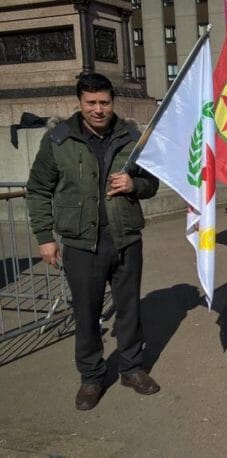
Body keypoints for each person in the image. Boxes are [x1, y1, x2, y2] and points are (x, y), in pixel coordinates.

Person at [26, 73, 160, 411]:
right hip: (80, 243)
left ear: (112, 102)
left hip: (125, 237)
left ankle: (131, 368)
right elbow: (39, 189)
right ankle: (91, 376)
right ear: (79, 103)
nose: (98, 110)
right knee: (87, 313)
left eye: (104, 102)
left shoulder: (131, 136)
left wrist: (134, 185)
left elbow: (152, 182)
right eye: (91, 103)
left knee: (129, 308)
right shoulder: (59, 139)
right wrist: (45, 238)